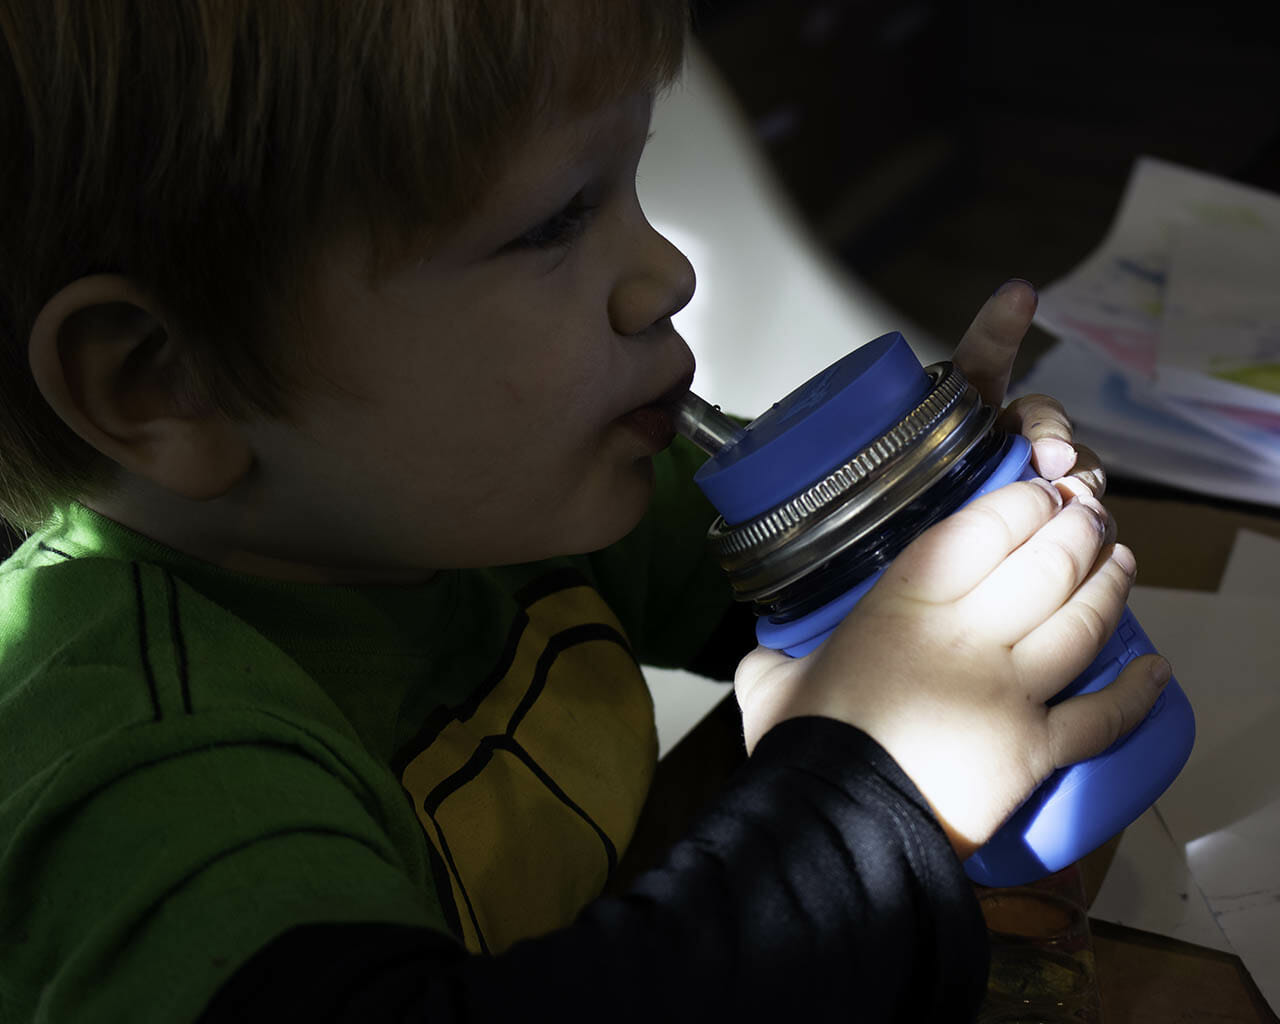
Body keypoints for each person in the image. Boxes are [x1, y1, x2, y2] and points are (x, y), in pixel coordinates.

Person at [0, 2, 1171, 1021]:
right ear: (166, 382)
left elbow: (797, 621)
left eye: (632, 182)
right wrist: (868, 795)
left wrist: (905, 529)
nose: (667, 271)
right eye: (555, 219)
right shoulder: (127, 771)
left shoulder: (488, 504)